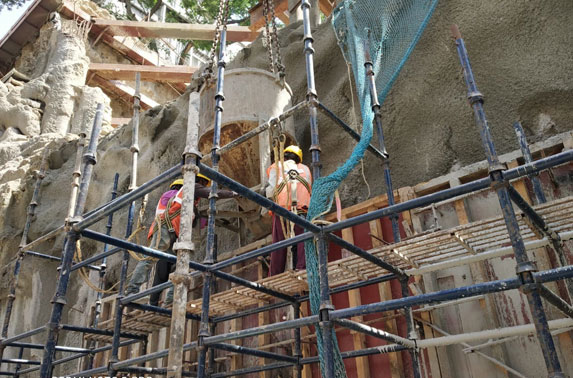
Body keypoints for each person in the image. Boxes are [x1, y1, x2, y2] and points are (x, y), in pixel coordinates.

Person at [126, 174, 237, 306]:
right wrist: (233, 193)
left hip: (172, 233)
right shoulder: (190, 187)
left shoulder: (186, 198)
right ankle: (132, 291)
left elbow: (196, 221)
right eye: (202, 183)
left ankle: (170, 301)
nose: (202, 185)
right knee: (150, 259)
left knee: (179, 266)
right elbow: (212, 193)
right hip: (165, 229)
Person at [265, 145, 312, 276]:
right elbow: (308, 188)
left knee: (279, 244)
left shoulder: (276, 166)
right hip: (301, 210)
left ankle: (274, 274)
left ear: (284, 156)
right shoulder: (306, 169)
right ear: (299, 158)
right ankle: (302, 268)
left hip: (282, 210)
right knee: (303, 239)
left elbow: (270, 190)